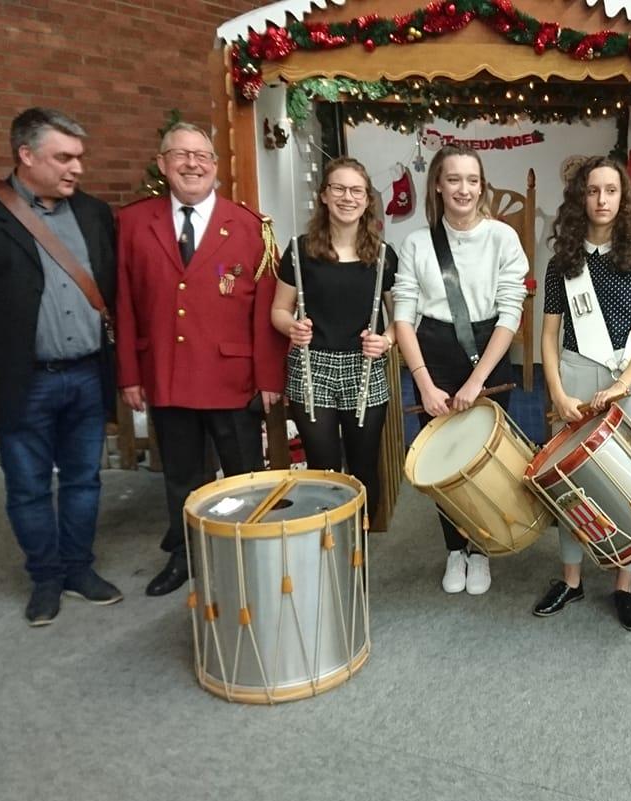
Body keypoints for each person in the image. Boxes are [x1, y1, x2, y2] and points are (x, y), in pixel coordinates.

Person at [0, 107, 122, 627]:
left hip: (85, 374)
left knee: (84, 481)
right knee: (29, 486)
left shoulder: (95, 214)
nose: (76, 168)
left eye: (79, 157)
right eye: (64, 157)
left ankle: (79, 569)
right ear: (26, 155)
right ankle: (46, 578)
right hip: (23, 381)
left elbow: (111, 288)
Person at [115, 122, 285, 597]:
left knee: (245, 472)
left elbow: (265, 308)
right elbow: (125, 304)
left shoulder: (251, 226)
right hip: (167, 374)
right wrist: (129, 373)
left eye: (202, 156)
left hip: (233, 376)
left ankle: (251, 551)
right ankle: (184, 554)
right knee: (181, 475)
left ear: (215, 166)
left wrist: (269, 376)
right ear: (163, 163)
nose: (192, 164)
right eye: (180, 155)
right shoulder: (133, 223)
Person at [531, 157, 631, 631]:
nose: (602, 200)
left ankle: (624, 585)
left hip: (626, 378)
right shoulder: (563, 258)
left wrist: (626, 384)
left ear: (623, 198)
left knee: (630, 481)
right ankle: (571, 578)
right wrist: (558, 394)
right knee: (572, 480)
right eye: (593, 191)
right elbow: (548, 336)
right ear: (580, 198)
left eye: (611, 191)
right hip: (576, 377)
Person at [391, 144, 526, 595]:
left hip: (487, 353)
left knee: (482, 458)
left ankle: (481, 550)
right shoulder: (415, 242)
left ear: (481, 185)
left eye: (472, 180)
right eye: (454, 179)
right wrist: (423, 382)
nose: (464, 189)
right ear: (438, 185)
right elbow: (404, 317)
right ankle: (454, 549)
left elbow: (510, 315)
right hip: (432, 354)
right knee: (444, 461)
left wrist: (477, 382)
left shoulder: (502, 238)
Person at [271, 158, 397, 510]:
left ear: (367, 199)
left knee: (363, 468)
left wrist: (386, 339)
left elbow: (401, 317)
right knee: (322, 470)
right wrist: (291, 328)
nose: (347, 197)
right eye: (338, 188)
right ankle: (329, 549)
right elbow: (279, 310)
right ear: (324, 196)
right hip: (312, 368)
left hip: (364, 369)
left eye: (356, 190)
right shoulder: (299, 251)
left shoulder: (384, 256)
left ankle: (359, 552)